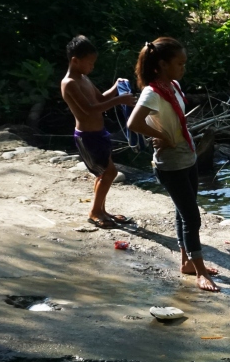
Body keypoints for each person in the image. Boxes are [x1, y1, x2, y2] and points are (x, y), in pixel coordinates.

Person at [125, 37, 219, 292]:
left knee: (182, 212)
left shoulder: (174, 86)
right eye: (179, 63)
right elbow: (133, 123)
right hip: (169, 164)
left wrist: (172, 132)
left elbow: (174, 118)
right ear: (162, 65)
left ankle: (186, 262)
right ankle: (200, 273)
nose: (183, 68)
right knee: (192, 216)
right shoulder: (152, 92)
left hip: (187, 157)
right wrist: (162, 136)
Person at [60, 35, 137, 228]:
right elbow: (90, 109)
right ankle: (94, 212)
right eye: (90, 63)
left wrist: (116, 87)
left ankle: (101, 210)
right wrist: (119, 101)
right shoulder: (69, 83)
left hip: (99, 133)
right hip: (87, 137)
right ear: (75, 61)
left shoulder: (84, 78)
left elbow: (101, 99)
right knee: (109, 173)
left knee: (104, 174)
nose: (92, 67)